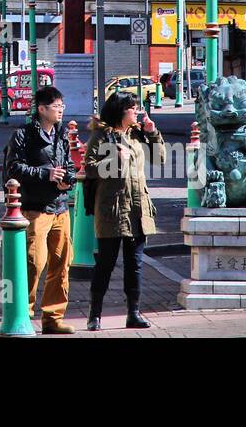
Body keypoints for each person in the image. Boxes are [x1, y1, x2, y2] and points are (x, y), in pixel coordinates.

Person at [82, 91, 164, 331]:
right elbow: (89, 168)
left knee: (135, 264)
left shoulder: (137, 134)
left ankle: (133, 313)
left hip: (138, 208)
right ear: (121, 111)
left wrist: (152, 132)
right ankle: (94, 315)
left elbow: (159, 159)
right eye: (133, 108)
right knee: (105, 263)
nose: (137, 111)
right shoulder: (102, 135)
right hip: (113, 208)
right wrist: (115, 159)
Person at [4, 85, 75, 335]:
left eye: (62, 106)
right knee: (33, 262)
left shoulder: (60, 133)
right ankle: (21, 313)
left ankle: (53, 318)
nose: (61, 111)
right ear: (42, 109)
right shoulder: (23, 135)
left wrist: (69, 179)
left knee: (61, 263)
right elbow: (13, 168)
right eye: (56, 107)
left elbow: (68, 165)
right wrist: (45, 174)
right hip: (35, 209)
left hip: (60, 207)